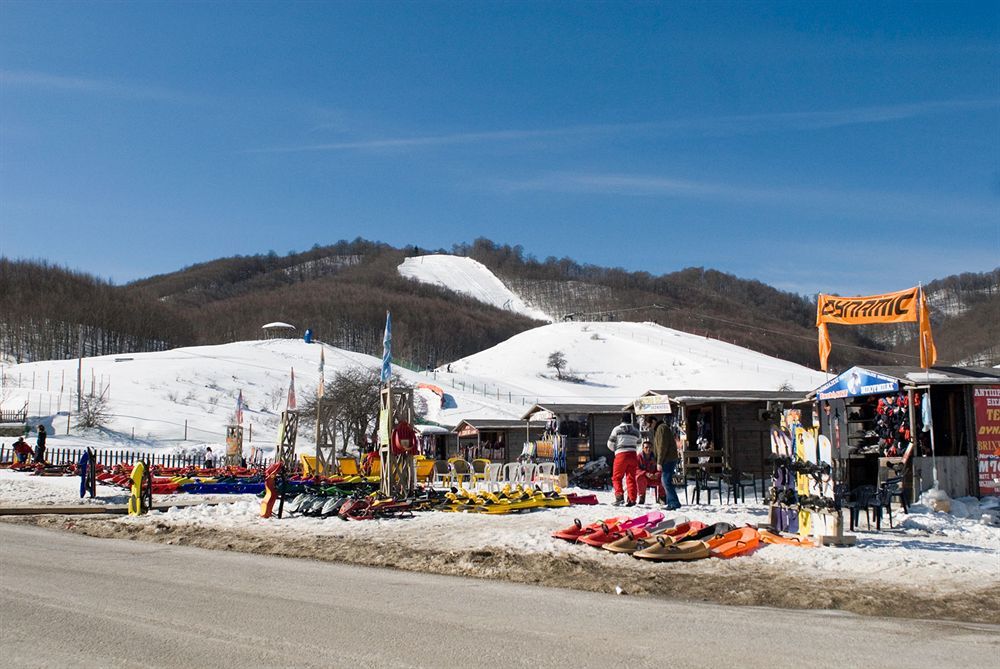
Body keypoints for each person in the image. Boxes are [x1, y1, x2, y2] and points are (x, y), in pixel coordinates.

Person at [607, 413, 641, 506]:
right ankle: (632, 499)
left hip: (621, 455)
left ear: (621, 420)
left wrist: (616, 450)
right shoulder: (636, 431)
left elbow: (610, 444)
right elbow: (639, 444)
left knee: (617, 477)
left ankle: (619, 497)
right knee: (631, 478)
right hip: (633, 455)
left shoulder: (617, 429)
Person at [653, 416, 681, 510]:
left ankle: (674, 503)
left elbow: (662, 446)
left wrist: (659, 461)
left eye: (649, 425)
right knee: (665, 481)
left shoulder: (661, 428)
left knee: (665, 481)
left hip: (668, 459)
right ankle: (671, 502)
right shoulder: (661, 428)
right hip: (668, 458)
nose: (649, 427)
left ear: (653, 421)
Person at [635, 440, 663, 505]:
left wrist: (656, 474)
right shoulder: (639, 457)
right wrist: (646, 473)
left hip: (654, 477)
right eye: (646, 447)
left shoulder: (656, 457)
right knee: (639, 477)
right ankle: (642, 497)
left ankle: (662, 497)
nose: (648, 449)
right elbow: (636, 469)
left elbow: (660, 468)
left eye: (650, 447)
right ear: (643, 448)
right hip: (644, 478)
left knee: (663, 478)